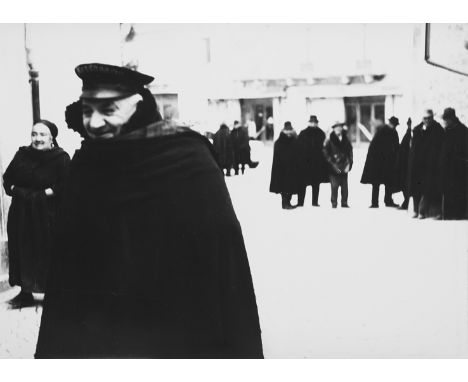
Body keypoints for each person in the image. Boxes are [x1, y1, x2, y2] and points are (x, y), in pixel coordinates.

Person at [35, 63, 263, 359]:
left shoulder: (186, 155)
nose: (94, 122)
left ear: (138, 106)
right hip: (102, 324)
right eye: (87, 110)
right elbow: (70, 256)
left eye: (108, 109)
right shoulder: (87, 162)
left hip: (173, 318)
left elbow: (221, 248)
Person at [2, 120, 70, 309]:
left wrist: (42, 195)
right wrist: (18, 191)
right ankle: (25, 294)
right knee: (20, 250)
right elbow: (7, 179)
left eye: (42, 134)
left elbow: (65, 186)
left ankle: (53, 295)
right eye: (34, 134)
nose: (37, 138)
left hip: (47, 214)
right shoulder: (22, 155)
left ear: (51, 138)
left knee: (47, 251)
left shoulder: (61, 158)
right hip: (21, 214)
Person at [408, 109, 444, 219]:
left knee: (431, 188)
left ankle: (426, 212)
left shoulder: (438, 129)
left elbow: (439, 147)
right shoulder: (417, 129)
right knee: (416, 189)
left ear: (432, 117)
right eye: (425, 118)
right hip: (418, 165)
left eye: (429, 118)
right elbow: (413, 147)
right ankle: (416, 210)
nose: (427, 120)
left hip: (432, 165)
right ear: (422, 119)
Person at [360, 117, 400, 208]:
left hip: (384, 162)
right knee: (380, 182)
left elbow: (396, 147)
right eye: (393, 124)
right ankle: (380, 202)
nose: (393, 126)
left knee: (384, 182)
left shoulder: (388, 132)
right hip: (381, 162)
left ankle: (382, 202)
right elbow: (374, 147)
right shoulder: (385, 131)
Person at [439, 108, 468, 220]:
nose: (445, 122)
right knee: (449, 190)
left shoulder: (463, 131)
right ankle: (449, 214)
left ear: (452, 119)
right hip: (447, 168)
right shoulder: (447, 130)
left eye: (446, 120)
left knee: (459, 190)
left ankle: (460, 213)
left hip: (459, 168)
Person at [297, 115, 329, 207]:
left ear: (317, 123)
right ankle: (300, 202)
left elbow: (324, 147)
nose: (313, 124)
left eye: (315, 122)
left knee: (316, 183)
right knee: (302, 184)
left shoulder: (321, 133)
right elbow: (299, 147)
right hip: (305, 163)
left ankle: (315, 202)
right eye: (312, 122)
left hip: (317, 163)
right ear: (309, 122)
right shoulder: (303, 133)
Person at [269, 121, 301, 209]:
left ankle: (287, 203)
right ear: (284, 130)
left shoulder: (294, 140)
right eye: (287, 130)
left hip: (292, 168)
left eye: (290, 130)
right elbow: (278, 157)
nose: (288, 132)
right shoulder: (279, 142)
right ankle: (285, 204)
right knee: (284, 187)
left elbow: (298, 151)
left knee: (290, 187)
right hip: (282, 169)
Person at [323, 122, 353, 208]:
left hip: (344, 166)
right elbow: (325, 152)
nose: (339, 129)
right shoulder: (329, 140)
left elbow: (350, 151)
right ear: (334, 129)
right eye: (337, 128)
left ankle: (344, 203)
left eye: (340, 127)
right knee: (334, 186)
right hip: (334, 166)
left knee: (344, 186)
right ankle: (334, 203)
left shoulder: (346, 139)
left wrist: (350, 163)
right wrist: (331, 162)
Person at [395, 118, 413, 210]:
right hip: (405, 165)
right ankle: (406, 202)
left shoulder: (409, 134)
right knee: (405, 184)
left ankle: (406, 202)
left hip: (407, 165)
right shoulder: (408, 134)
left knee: (406, 184)